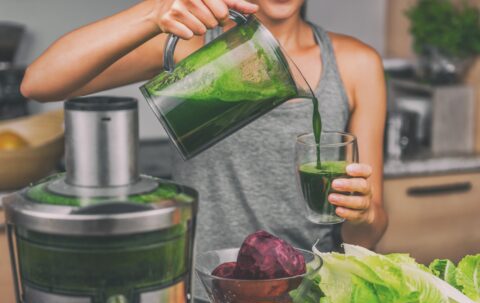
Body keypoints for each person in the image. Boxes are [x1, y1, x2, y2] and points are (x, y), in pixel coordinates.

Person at [21, 0, 387, 255]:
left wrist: (364, 213)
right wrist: (154, 11)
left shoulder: (356, 64)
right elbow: (39, 83)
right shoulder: (192, 46)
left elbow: (367, 235)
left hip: (311, 294)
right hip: (205, 295)